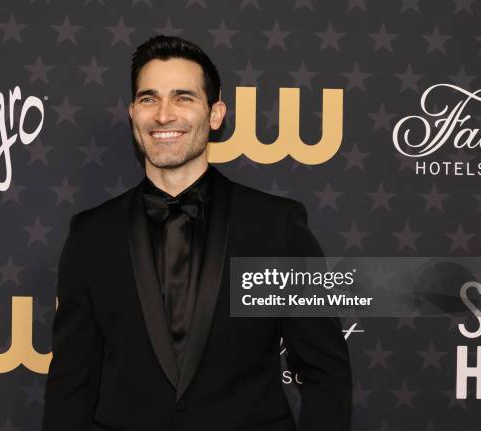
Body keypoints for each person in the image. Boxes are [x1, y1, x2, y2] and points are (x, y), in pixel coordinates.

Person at [43, 35, 352, 431]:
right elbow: (72, 384)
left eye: (183, 97)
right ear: (133, 113)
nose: (164, 115)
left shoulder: (277, 228)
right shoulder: (91, 235)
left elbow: (326, 371)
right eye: (149, 98)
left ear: (216, 113)